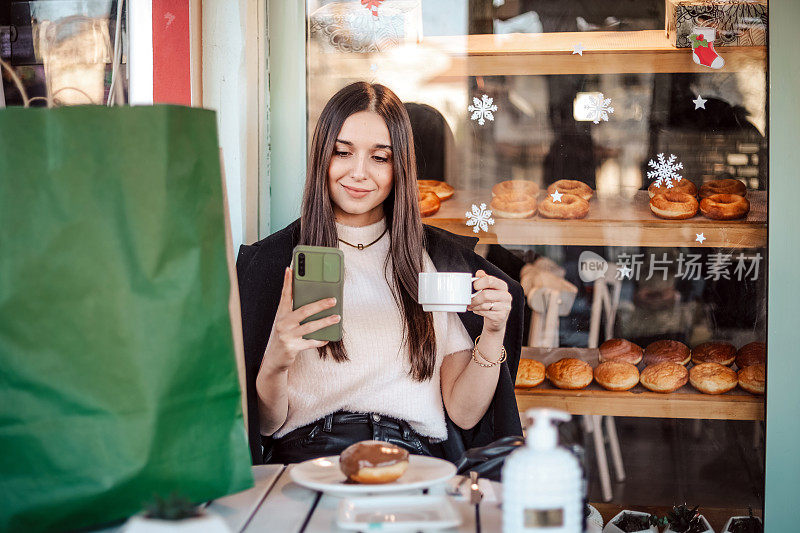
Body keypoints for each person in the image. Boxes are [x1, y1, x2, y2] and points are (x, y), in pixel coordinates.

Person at [237, 82, 526, 465]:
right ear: (322, 155)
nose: (359, 173)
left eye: (380, 158)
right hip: (312, 457)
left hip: (414, 458)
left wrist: (491, 334)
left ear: (399, 167)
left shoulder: (431, 260)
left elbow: (464, 412)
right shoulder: (274, 266)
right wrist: (277, 355)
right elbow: (268, 425)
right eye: (343, 152)